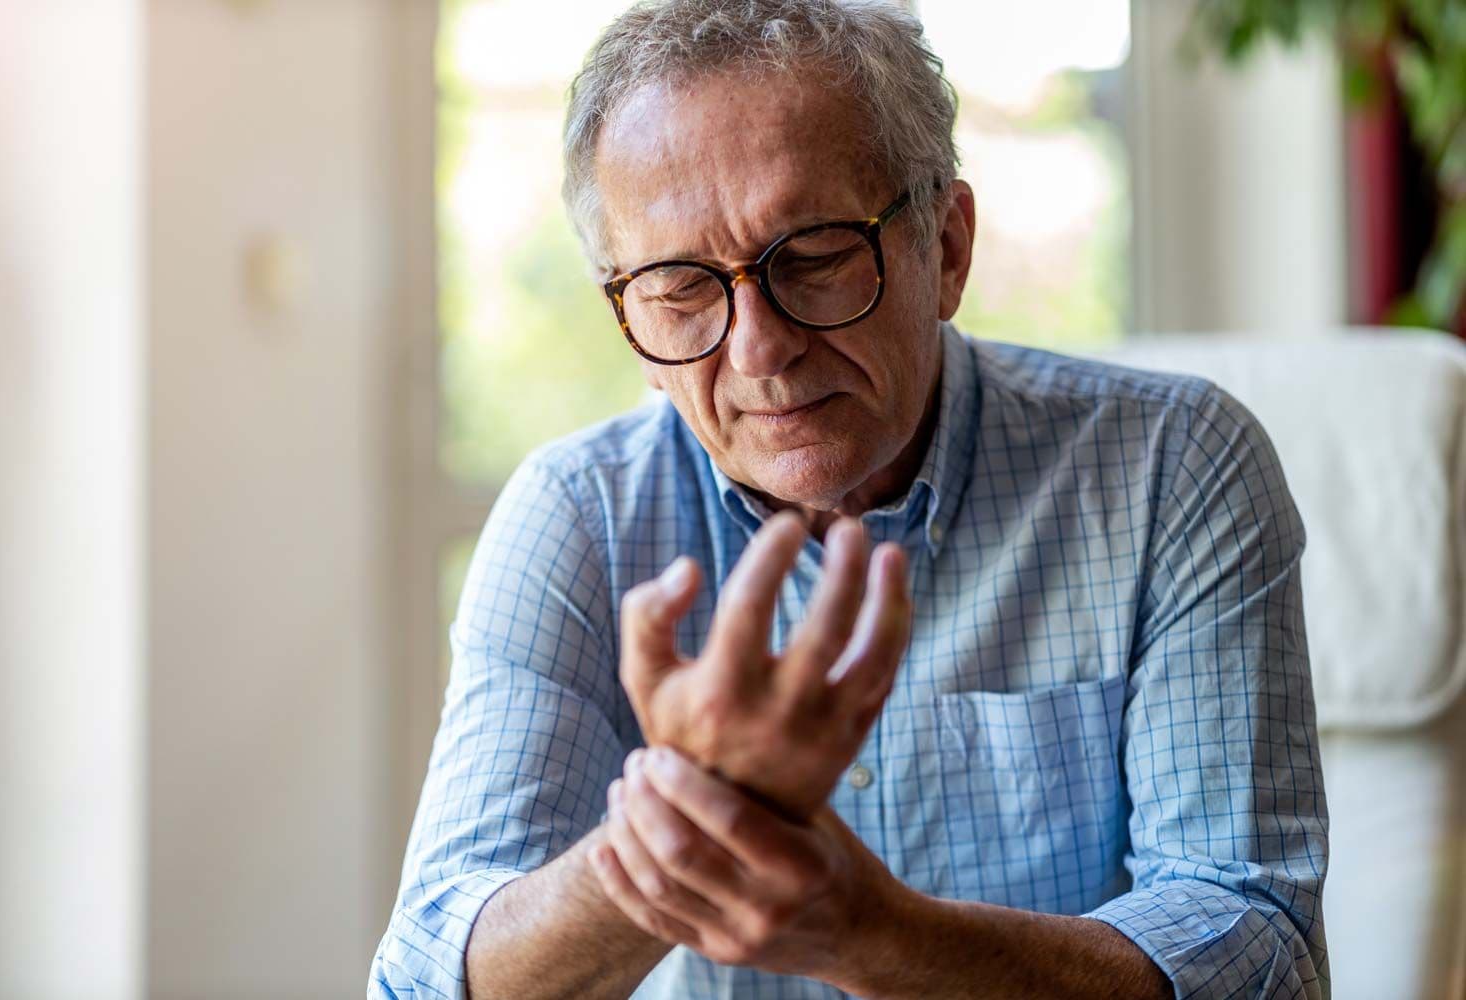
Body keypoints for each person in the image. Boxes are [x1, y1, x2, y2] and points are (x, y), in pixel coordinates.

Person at [370, 1, 1329, 997]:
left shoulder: (1173, 466)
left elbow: (1260, 952)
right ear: (627, 323)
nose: (757, 348)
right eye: (681, 287)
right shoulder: (579, 515)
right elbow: (427, 976)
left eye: (815, 255)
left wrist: (874, 933)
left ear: (947, 248)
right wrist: (691, 816)